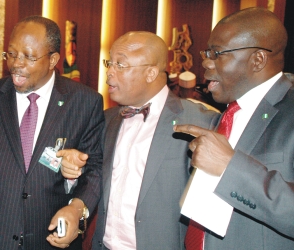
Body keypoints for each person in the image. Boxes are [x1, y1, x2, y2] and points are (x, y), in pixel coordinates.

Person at [63, 31, 219, 249]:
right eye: (110, 62)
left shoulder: (200, 122)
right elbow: (93, 179)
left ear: (151, 72)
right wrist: (74, 169)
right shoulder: (107, 120)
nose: (109, 73)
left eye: (120, 65)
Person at [0, 15, 104, 249]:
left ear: (53, 60)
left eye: (28, 57)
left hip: (49, 239)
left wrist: (76, 208)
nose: (17, 63)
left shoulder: (85, 102)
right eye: (12, 53)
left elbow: (95, 169)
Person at [174, 7, 294, 249]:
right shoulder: (230, 111)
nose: (206, 62)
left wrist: (230, 167)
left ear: (257, 59)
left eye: (217, 53)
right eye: (207, 52)